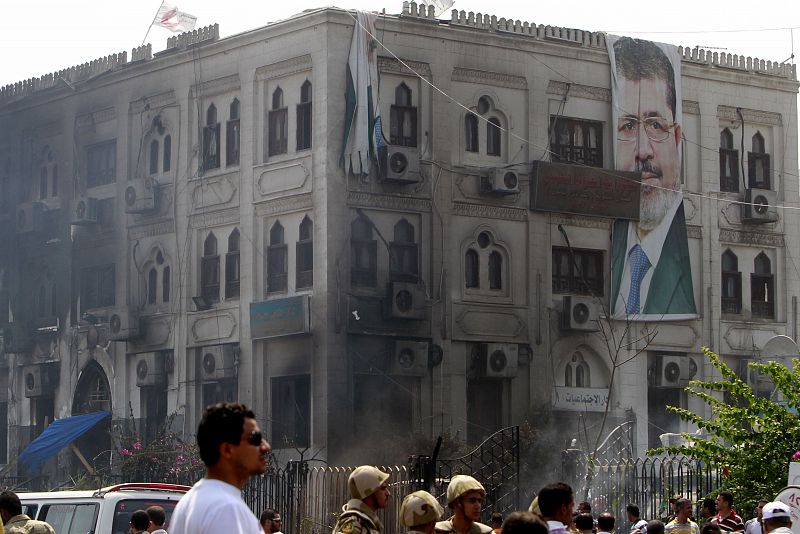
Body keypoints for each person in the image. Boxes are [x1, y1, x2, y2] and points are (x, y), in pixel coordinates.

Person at [609, 36, 696, 319]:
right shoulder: (609, 244)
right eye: (628, 126)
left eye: (656, 125)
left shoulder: (685, 257)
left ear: (677, 138)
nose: (643, 151)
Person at [169, 402, 272, 534]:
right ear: (227, 450)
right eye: (255, 438)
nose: (266, 447)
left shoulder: (188, 503)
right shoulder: (225, 508)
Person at [331, 465, 391, 534]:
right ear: (369, 493)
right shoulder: (355, 523)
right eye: (383, 488)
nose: (388, 493)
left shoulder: (364, 522)